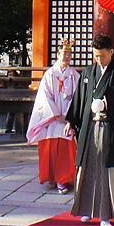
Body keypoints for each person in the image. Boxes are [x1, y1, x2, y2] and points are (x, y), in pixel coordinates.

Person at [64, 35, 114, 226]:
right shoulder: (87, 73)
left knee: (106, 169)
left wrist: (108, 104)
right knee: (87, 168)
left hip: (110, 126)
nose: (99, 60)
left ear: (111, 52)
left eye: (102, 56)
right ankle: (85, 211)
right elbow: (79, 99)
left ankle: (106, 214)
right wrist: (71, 121)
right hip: (89, 126)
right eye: (96, 56)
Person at [26, 40, 80, 194]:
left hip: (67, 119)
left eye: (69, 54)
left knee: (66, 150)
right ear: (58, 55)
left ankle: (63, 179)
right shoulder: (50, 74)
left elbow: (78, 98)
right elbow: (45, 97)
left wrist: (69, 116)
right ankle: (51, 177)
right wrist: (56, 114)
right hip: (52, 118)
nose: (67, 57)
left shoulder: (74, 75)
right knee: (49, 148)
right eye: (64, 53)